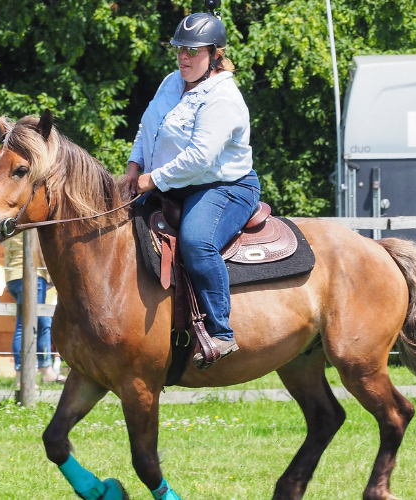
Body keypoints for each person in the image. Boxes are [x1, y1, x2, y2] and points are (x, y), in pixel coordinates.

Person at [119, 7, 258, 369]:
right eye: (179, 48)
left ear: (215, 55)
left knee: (197, 241)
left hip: (224, 187)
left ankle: (220, 331)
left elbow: (199, 158)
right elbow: (147, 126)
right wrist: (135, 165)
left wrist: (151, 179)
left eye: (193, 50)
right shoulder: (171, 81)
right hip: (171, 184)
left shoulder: (223, 97)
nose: (184, 56)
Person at [3, 233, 65, 384]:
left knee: (43, 323)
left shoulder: (12, 223)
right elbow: (41, 251)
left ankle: (46, 371)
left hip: (12, 277)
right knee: (25, 326)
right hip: (32, 276)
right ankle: (22, 376)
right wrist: (53, 274)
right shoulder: (33, 224)